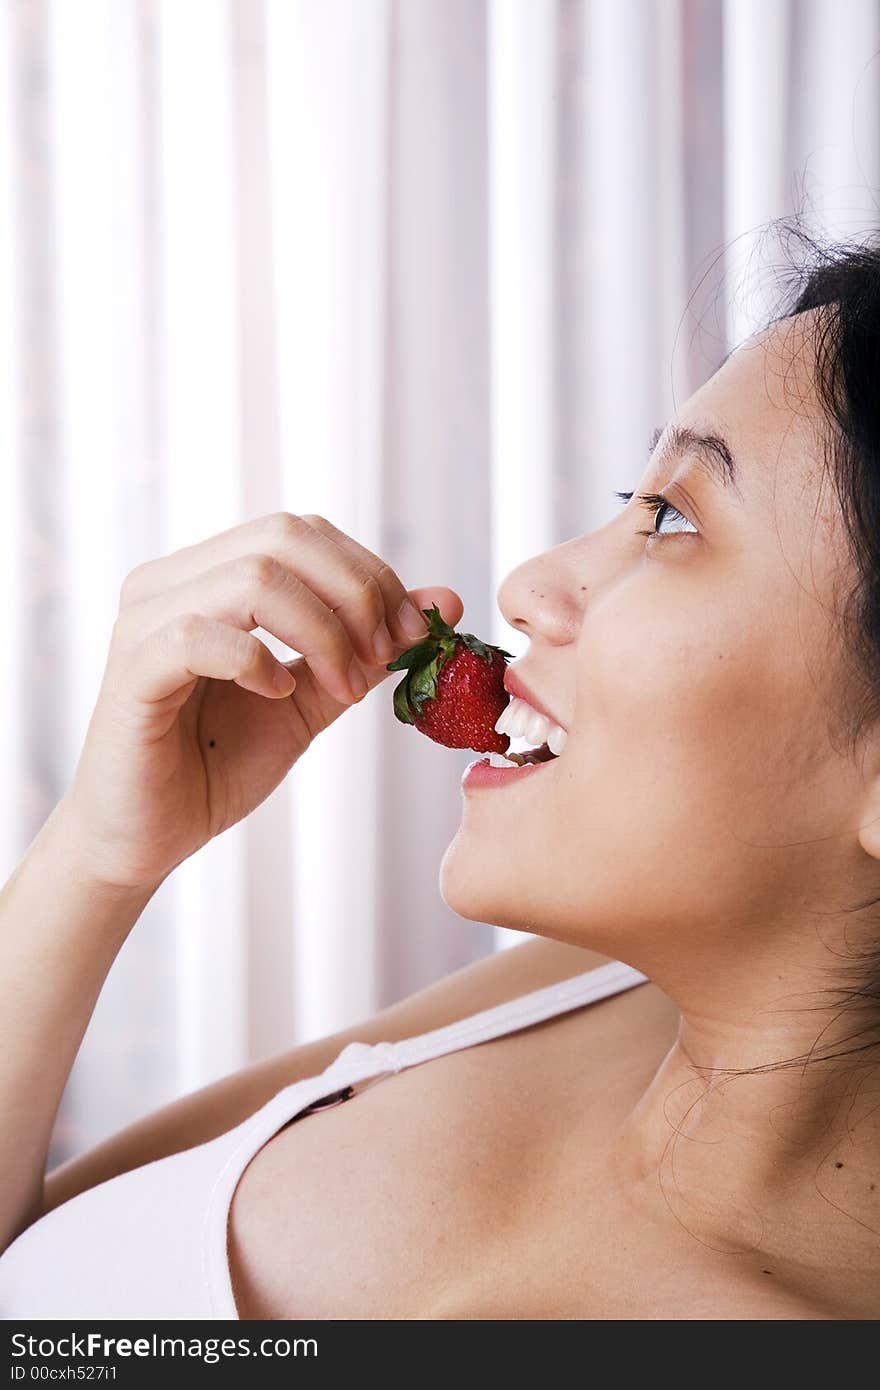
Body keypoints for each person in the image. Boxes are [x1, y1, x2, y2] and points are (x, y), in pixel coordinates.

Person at [1, 227, 879, 1321]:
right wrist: (97, 854)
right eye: (630, 495)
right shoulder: (585, 987)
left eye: (670, 519)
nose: (526, 584)